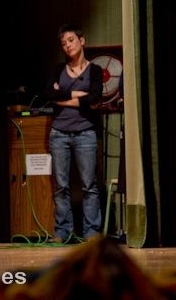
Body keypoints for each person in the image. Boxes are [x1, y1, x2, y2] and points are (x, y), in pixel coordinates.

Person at [42, 24, 103, 243]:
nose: (67, 46)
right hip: (59, 133)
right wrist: (79, 95)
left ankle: (91, 233)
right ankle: (62, 232)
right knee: (61, 186)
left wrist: (64, 96)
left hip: (85, 133)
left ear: (82, 41)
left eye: (71, 40)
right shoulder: (58, 69)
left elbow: (95, 97)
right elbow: (49, 94)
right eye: (63, 43)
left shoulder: (94, 70)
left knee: (89, 185)